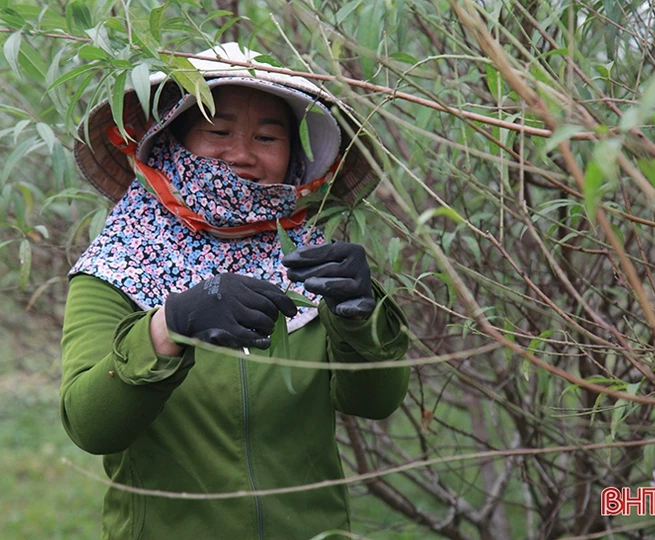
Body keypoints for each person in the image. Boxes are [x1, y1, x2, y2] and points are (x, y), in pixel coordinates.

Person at [60, 42, 410, 540]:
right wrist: (168, 325)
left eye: (268, 137)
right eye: (217, 131)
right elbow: (90, 425)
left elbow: (375, 402)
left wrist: (361, 315)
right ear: (170, 139)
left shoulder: (312, 260)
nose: (243, 154)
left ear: (296, 157)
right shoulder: (118, 266)